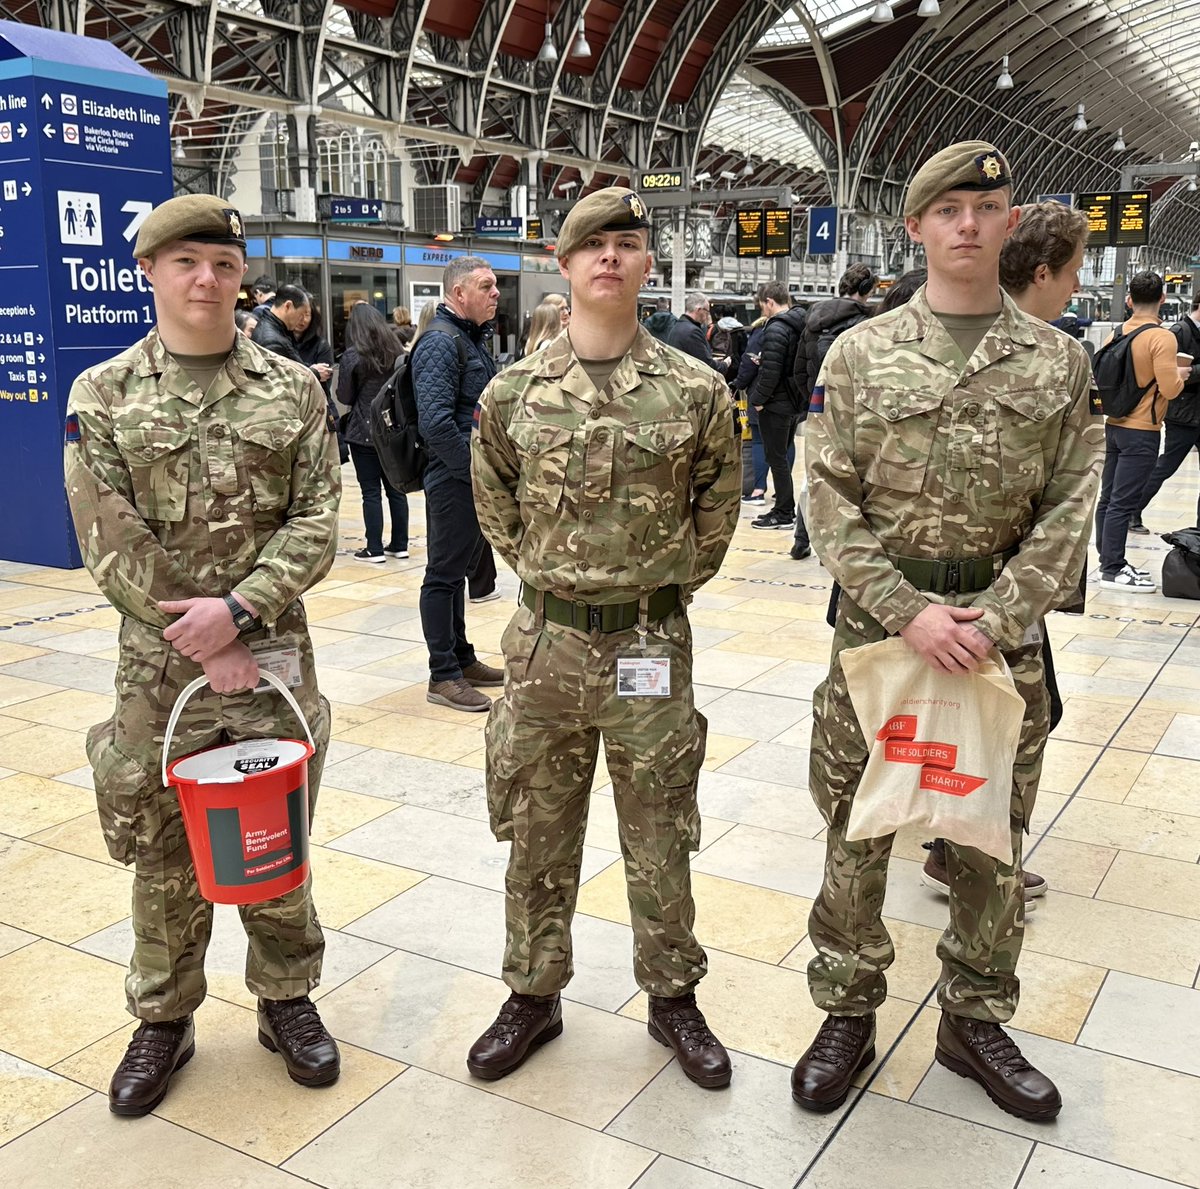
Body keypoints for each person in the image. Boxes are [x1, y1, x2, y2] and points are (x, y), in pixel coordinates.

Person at [793, 142, 1103, 1123]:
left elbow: (1072, 503)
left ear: (1013, 223)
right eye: (948, 207)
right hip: (882, 641)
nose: (968, 221)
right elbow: (828, 496)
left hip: (998, 646)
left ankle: (975, 1015)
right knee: (858, 827)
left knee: (990, 840)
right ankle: (846, 1006)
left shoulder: (1060, 362)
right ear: (917, 226)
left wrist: (998, 617)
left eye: (988, 204)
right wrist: (908, 610)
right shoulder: (858, 353)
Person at [63, 194, 342, 1116]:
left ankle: (286, 999)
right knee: (163, 842)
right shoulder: (103, 394)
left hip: (272, 658)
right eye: (186, 262)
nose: (206, 278)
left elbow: (317, 518)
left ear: (240, 276)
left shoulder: (292, 388)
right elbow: (107, 536)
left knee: (275, 829)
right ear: (148, 272)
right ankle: (164, 1016)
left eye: (222, 263)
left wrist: (242, 611)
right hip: (160, 667)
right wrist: (202, 634)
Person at [469, 185, 740, 1090]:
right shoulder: (514, 393)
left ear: (647, 262)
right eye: (594, 245)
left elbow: (717, 507)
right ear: (566, 263)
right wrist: (556, 582)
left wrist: (652, 591)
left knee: (660, 825)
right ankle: (532, 994)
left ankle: (672, 996)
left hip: (649, 646)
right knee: (538, 828)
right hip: (544, 646)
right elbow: (496, 505)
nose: (611, 258)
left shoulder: (696, 389)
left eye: (627, 242)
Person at [919, 202, 1093, 905]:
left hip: (1009, 597)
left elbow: (1071, 496)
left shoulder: (1060, 360)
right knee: (958, 715)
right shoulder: (901, 343)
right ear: (1043, 272)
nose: (1077, 289)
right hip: (924, 596)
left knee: (1016, 717)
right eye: (1074, 273)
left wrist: (1007, 606)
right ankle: (951, 845)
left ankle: (968, 848)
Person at [409, 256, 505, 712]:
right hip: (453, 477)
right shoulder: (440, 342)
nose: (495, 293)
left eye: (495, 285)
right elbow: (437, 424)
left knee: (460, 572)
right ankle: (442, 673)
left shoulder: (467, 337)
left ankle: (462, 659)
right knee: (443, 576)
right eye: (485, 285)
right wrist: (475, 473)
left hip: (466, 476)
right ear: (458, 292)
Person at [1094, 271, 1187, 591]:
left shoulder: (1116, 333)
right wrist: (1182, 373)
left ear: (1130, 299)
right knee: (1123, 501)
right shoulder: (1162, 338)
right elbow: (1171, 389)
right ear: (1162, 298)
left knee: (1108, 499)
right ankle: (1114, 568)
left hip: (1114, 426)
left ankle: (1107, 560)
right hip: (1142, 431)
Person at [338, 303, 410, 563]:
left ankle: (374, 548)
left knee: (370, 492)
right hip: (392, 429)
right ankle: (400, 544)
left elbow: (344, 395)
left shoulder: (352, 357)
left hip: (362, 432)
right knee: (396, 490)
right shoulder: (397, 352)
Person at [1130, 291, 1200, 533]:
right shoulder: (1180, 331)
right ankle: (1132, 511)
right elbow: (1169, 373)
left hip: (1197, 411)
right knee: (1165, 467)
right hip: (1183, 415)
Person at [748, 283, 807, 537]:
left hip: (776, 404)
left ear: (769, 302)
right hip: (794, 402)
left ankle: (784, 511)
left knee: (776, 459)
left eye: (763, 305)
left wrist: (758, 400)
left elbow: (771, 372)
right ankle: (784, 509)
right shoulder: (801, 324)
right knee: (781, 457)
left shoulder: (776, 328)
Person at [667, 291, 722, 371]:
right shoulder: (692, 332)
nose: (707, 315)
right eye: (707, 311)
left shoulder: (677, 326)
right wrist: (724, 364)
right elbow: (706, 365)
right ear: (699, 310)